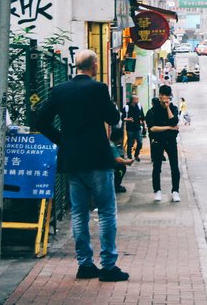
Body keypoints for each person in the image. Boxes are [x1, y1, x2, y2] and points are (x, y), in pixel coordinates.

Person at [34, 49, 129, 282]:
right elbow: (113, 118)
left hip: (72, 160)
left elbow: (39, 119)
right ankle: (108, 266)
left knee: (79, 212)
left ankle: (85, 264)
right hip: (97, 158)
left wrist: (62, 139)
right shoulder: (97, 88)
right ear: (94, 65)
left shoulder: (60, 90)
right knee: (106, 211)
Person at [146, 87, 181, 203]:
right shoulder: (152, 111)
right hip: (157, 142)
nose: (165, 98)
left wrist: (167, 108)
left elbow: (174, 121)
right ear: (160, 95)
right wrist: (169, 128)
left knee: (174, 167)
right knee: (157, 167)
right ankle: (157, 191)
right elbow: (152, 128)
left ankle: (175, 191)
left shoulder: (174, 108)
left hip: (171, 141)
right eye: (163, 95)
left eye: (167, 95)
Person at [109, 126, 133, 193]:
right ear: (119, 138)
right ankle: (116, 186)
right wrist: (126, 162)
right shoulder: (112, 146)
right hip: (107, 167)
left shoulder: (111, 144)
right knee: (121, 167)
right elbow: (118, 159)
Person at [123, 94, 146, 162]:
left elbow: (142, 116)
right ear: (133, 100)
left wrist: (144, 125)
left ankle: (136, 154)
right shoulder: (127, 107)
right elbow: (123, 118)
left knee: (139, 142)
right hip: (130, 128)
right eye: (136, 99)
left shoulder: (139, 106)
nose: (138, 100)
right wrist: (128, 119)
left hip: (137, 128)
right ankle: (129, 156)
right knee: (130, 142)